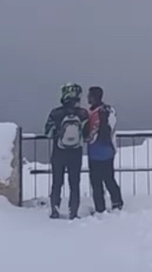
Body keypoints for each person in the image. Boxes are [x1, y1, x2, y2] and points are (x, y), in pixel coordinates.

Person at [44, 82, 91, 219]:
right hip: (75, 153)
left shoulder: (55, 113)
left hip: (58, 152)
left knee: (57, 182)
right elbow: (86, 134)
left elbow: (48, 132)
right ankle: (73, 211)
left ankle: (55, 209)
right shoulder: (83, 114)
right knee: (74, 183)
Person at [86, 85, 124, 213]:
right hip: (108, 151)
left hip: (94, 152)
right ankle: (117, 202)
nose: (87, 98)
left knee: (96, 183)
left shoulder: (92, 114)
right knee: (109, 179)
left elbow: (89, 133)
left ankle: (100, 208)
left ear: (93, 97)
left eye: (89, 95)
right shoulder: (108, 111)